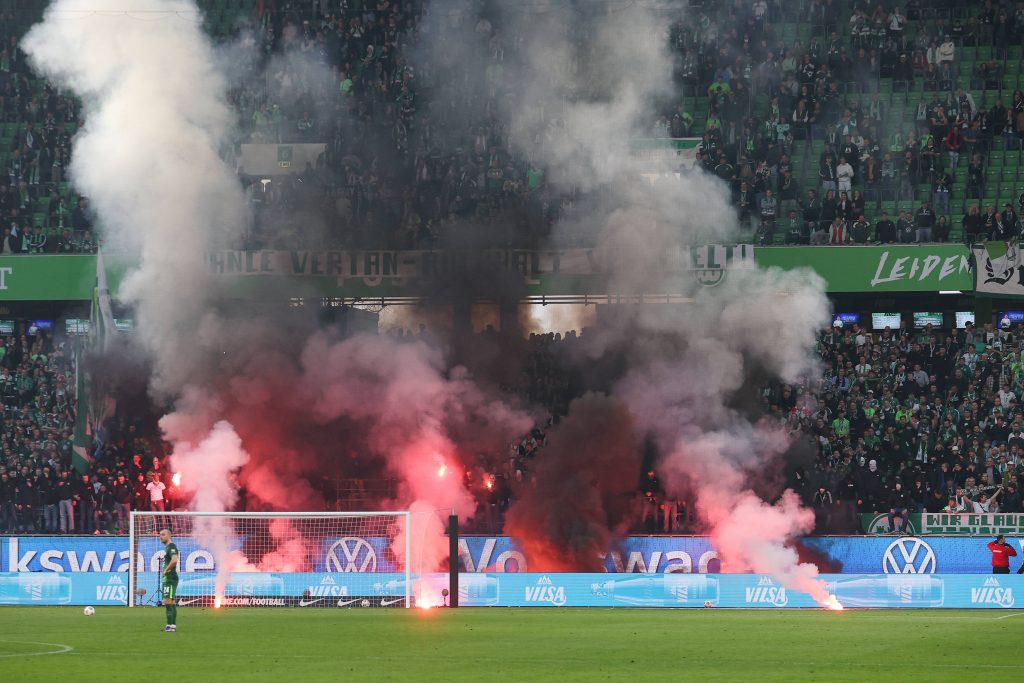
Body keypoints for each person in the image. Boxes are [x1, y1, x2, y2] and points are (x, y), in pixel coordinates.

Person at [159, 528, 179, 632]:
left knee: (167, 601)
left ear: (168, 536)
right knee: (171, 601)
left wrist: (166, 570)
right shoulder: (167, 548)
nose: (160, 536)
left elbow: (174, 560)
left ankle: (169, 626)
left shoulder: (172, 547)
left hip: (170, 578)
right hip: (169, 578)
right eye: (160, 535)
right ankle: (172, 626)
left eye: (163, 534)